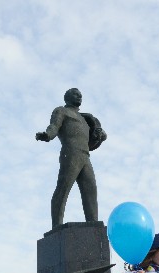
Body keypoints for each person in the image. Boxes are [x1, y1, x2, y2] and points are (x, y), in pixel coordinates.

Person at [35, 87, 107, 228]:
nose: (79, 97)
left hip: (85, 156)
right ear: (67, 97)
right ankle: (56, 225)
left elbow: (90, 143)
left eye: (80, 95)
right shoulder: (61, 111)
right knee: (63, 188)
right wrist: (47, 135)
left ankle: (93, 226)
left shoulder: (86, 119)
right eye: (75, 94)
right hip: (71, 153)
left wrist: (100, 137)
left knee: (90, 190)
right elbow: (54, 126)